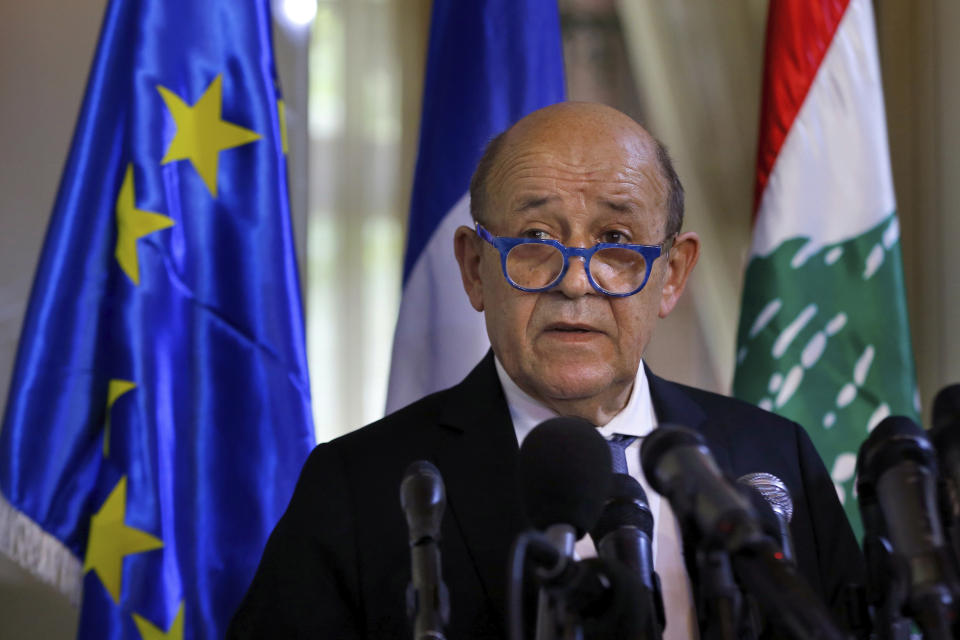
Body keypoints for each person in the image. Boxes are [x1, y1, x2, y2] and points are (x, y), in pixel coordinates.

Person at [227, 103, 864, 639]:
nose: (577, 281)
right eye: (535, 239)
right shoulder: (359, 488)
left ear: (671, 275)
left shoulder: (776, 460)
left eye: (616, 242)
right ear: (476, 269)